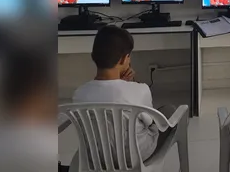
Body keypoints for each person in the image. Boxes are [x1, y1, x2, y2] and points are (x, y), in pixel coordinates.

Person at [72, 26, 177, 163]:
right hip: (136, 156)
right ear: (123, 60)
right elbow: (150, 122)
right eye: (129, 56)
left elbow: (107, 94)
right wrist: (131, 83)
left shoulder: (79, 94)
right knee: (169, 111)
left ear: (94, 56)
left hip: (98, 157)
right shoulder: (139, 90)